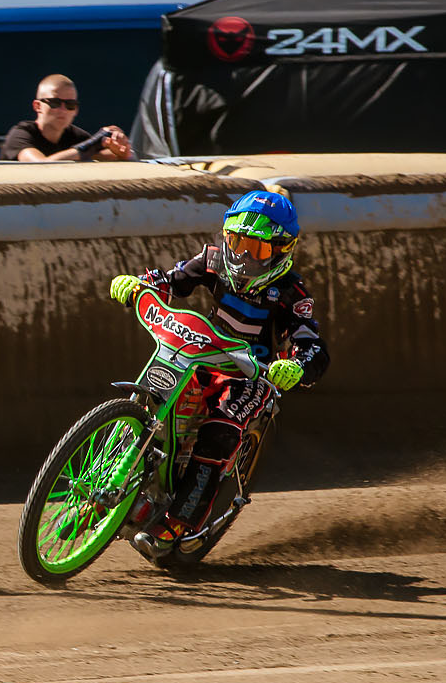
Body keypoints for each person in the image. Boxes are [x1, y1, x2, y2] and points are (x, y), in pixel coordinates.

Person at [107, 189, 327, 543]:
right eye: (237, 242)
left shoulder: (292, 292)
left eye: (256, 249)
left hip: (251, 375)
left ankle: (181, 520)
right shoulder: (212, 260)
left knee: (219, 432)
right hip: (201, 355)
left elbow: (312, 345)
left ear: (282, 249)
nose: (242, 256)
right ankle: (115, 478)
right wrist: (139, 285)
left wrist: (297, 366)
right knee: (154, 397)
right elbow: (173, 280)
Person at [1, 74, 132, 163]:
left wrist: (121, 152)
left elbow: (111, 157)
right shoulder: (21, 134)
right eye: (55, 103)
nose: (63, 110)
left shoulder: (76, 136)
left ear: (76, 110)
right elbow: (41, 166)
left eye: (70, 105)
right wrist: (92, 144)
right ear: (37, 106)